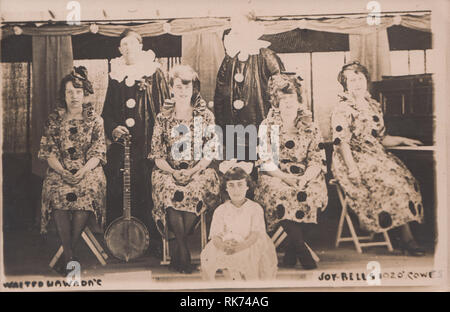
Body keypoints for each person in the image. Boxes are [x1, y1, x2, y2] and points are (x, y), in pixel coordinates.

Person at [331, 61, 425, 256]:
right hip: (351, 158)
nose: (357, 83)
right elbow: (342, 143)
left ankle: (401, 232)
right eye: (352, 80)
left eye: (360, 78)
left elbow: (381, 138)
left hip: (375, 155)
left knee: (406, 179)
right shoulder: (342, 108)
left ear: (366, 80)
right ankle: (406, 238)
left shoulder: (373, 105)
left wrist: (403, 140)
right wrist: (352, 169)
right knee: (390, 182)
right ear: (345, 84)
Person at [149, 65, 221, 273]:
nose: (182, 91)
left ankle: (179, 249)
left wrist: (192, 171)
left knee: (195, 189)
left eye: (186, 87)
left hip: (198, 170)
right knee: (169, 190)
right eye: (178, 86)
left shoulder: (205, 115)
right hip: (168, 171)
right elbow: (157, 155)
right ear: (171, 88)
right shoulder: (162, 118)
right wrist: (173, 172)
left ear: (193, 89)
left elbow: (210, 151)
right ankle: (183, 249)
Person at [101, 29, 170, 247]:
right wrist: (114, 129)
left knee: (148, 189)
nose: (128, 48)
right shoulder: (116, 75)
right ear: (120, 49)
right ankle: (121, 241)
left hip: (149, 144)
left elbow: (166, 109)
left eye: (132, 43)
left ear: (140, 46)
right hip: (124, 147)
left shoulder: (154, 72)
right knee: (120, 186)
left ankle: (153, 241)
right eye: (124, 45)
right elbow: (107, 113)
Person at [254, 73, 328, 270]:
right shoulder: (266, 126)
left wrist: (304, 179)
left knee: (312, 195)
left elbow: (316, 160)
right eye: (282, 99)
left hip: (306, 175)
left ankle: (292, 249)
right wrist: (285, 177)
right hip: (275, 175)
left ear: (298, 100)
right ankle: (302, 251)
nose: (287, 103)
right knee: (283, 194)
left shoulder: (311, 126)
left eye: (291, 98)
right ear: (276, 102)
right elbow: (265, 161)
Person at [38, 66, 107, 275]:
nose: (74, 96)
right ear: (64, 95)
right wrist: (62, 171)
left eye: (78, 92)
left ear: (85, 94)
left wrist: (83, 171)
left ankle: (68, 254)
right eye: (70, 92)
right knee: (56, 192)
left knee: (87, 190)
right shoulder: (54, 120)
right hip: (60, 170)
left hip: (88, 170)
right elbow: (49, 152)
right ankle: (71, 256)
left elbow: (98, 153)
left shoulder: (95, 120)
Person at [213, 10, 285, 160]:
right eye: (233, 23)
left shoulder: (266, 55)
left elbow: (282, 89)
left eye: (240, 22)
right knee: (238, 170)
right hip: (234, 125)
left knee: (263, 166)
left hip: (261, 121)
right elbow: (220, 93)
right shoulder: (229, 58)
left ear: (251, 25)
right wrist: (221, 124)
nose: (236, 27)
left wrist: (276, 121)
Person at [201, 161, 278, 281]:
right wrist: (224, 246)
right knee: (218, 259)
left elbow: (255, 234)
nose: (236, 190)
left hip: (249, 244)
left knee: (248, 259)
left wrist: (241, 247)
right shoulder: (220, 210)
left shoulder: (255, 208)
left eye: (240, 184)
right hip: (226, 245)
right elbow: (215, 236)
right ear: (225, 188)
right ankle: (230, 285)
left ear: (247, 186)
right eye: (231, 185)